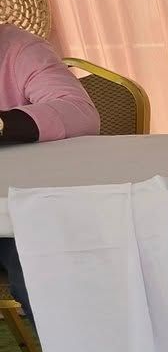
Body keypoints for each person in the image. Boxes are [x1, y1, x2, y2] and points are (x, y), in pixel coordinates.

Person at [0, 24, 100, 320]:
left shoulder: (18, 48)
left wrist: (4, 125)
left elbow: (80, 112)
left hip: (16, 213)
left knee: (42, 275)